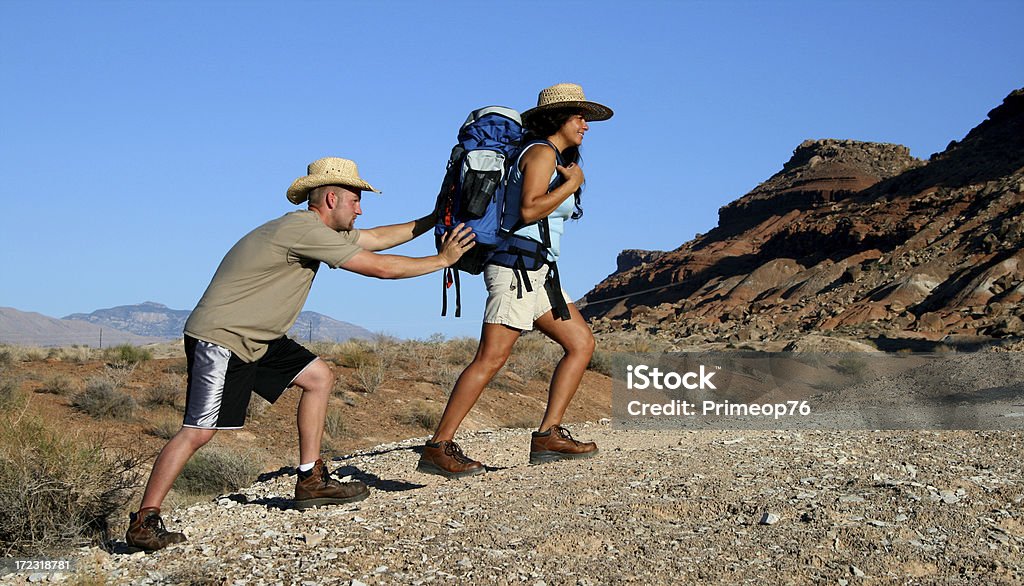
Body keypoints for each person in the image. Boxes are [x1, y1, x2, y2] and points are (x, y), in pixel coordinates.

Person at [126, 156, 475, 551]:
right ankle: (145, 520)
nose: (360, 210)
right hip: (223, 337)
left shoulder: (315, 231)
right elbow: (379, 267)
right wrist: (442, 261)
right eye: (356, 201)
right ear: (331, 198)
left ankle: (310, 479)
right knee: (199, 431)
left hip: (260, 336)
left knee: (318, 377)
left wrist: (432, 219)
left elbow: (376, 238)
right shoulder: (301, 230)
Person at [417, 83, 613, 478]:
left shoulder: (553, 155)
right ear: (559, 118)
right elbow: (527, 211)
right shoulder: (540, 153)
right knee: (490, 358)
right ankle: (438, 446)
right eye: (580, 117)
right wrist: (572, 186)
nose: (586, 126)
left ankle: (548, 436)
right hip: (515, 269)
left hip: (537, 271)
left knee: (581, 343)